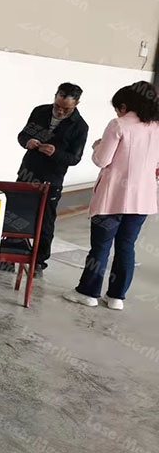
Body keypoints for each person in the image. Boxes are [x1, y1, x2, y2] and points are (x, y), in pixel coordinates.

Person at [63, 81, 159, 310]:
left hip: (112, 198)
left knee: (101, 246)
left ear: (127, 105)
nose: (117, 112)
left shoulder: (118, 125)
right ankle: (116, 297)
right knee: (126, 246)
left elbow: (102, 160)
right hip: (142, 200)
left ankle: (88, 293)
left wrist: (97, 146)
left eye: (118, 107)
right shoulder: (156, 128)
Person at [16, 83, 89, 273]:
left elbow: (75, 158)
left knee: (45, 220)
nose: (60, 111)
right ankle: (12, 253)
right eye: (57, 106)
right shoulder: (40, 112)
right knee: (17, 213)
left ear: (77, 104)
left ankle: (39, 260)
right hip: (28, 171)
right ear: (55, 96)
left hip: (52, 178)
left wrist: (55, 153)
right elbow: (23, 135)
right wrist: (27, 141)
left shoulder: (79, 126)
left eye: (66, 109)